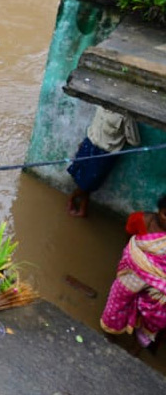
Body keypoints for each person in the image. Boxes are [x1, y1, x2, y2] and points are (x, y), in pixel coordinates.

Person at [101, 194, 166, 352]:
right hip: (133, 271)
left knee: (157, 309)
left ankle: (140, 339)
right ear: (159, 210)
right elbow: (129, 238)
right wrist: (133, 259)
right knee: (118, 301)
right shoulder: (140, 219)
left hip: (159, 278)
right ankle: (110, 333)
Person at [67, 107, 140, 217]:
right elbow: (95, 124)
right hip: (89, 144)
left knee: (88, 183)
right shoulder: (100, 105)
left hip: (105, 153)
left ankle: (72, 199)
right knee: (78, 176)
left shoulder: (125, 116)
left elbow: (134, 141)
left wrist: (117, 141)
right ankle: (83, 207)